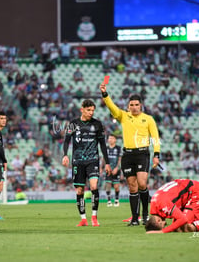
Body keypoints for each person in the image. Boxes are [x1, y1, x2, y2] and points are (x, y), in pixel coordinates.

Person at [100, 83, 160, 226]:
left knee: (142, 183)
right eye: (131, 104)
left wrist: (156, 154)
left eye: (136, 104)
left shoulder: (148, 119)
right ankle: (134, 218)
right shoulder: (124, 116)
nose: (134, 107)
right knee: (132, 187)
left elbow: (155, 137)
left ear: (141, 106)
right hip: (127, 155)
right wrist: (105, 94)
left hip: (142, 154)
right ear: (128, 106)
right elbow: (112, 107)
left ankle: (145, 214)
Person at [62, 99, 111, 227]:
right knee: (79, 190)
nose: (91, 113)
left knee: (94, 186)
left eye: (92, 110)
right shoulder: (73, 123)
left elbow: (103, 145)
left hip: (92, 159)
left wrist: (107, 162)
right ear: (82, 109)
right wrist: (65, 155)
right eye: (88, 110)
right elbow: (67, 140)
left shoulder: (97, 124)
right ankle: (83, 219)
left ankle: (94, 216)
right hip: (77, 161)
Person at [103, 134, 122, 207]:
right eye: (109, 138)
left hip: (116, 169)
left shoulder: (118, 148)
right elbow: (104, 159)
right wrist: (103, 167)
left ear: (115, 140)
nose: (110, 139)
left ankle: (116, 200)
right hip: (108, 169)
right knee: (108, 185)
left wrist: (117, 168)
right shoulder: (106, 148)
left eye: (112, 138)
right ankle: (109, 201)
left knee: (116, 186)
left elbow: (120, 159)